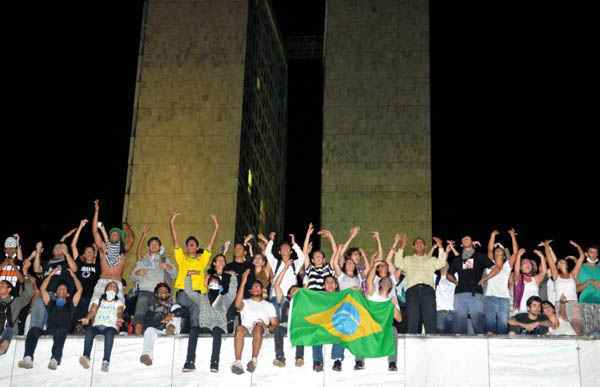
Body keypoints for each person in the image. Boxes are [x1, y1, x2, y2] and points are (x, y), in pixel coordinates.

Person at [18, 267, 83, 370]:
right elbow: (43, 289)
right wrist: (51, 274)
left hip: (63, 330)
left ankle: (55, 359)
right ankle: (28, 357)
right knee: (34, 330)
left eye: (64, 289)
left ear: (68, 294)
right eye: (59, 289)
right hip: (50, 330)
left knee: (61, 331)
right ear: (56, 293)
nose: (61, 290)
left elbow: (80, 289)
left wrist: (73, 275)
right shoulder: (50, 303)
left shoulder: (71, 304)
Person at [169, 211, 219, 331]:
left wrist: (216, 227)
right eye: (188, 245)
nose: (190, 246)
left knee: (195, 310)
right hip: (184, 293)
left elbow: (210, 246)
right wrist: (171, 223)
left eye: (192, 245)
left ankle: (188, 328)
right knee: (197, 307)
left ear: (197, 248)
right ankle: (194, 329)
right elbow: (175, 242)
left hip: (199, 293)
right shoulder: (182, 259)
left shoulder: (201, 261)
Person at [350, 261, 403, 372]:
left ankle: (392, 363)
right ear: (379, 284)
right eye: (384, 280)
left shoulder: (391, 300)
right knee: (361, 326)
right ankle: (359, 360)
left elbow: (399, 319)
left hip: (383, 329)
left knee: (393, 330)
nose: (387, 281)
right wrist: (374, 266)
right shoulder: (372, 293)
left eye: (389, 281)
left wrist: (393, 306)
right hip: (370, 326)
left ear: (391, 286)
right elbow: (369, 281)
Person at [181, 271, 238, 372]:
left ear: (220, 286)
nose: (214, 284)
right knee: (194, 330)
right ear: (207, 286)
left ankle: (214, 363)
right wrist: (188, 276)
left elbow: (233, 292)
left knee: (216, 329)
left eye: (216, 283)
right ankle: (189, 361)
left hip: (219, 328)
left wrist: (233, 276)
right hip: (205, 327)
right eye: (211, 283)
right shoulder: (202, 298)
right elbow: (189, 291)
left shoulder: (225, 299)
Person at [394, 236, 447, 334]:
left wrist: (440, 247)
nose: (419, 244)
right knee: (412, 319)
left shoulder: (431, 260)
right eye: (417, 243)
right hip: (412, 291)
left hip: (428, 291)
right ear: (414, 246)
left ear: (425, 246)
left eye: (421, 243)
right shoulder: (408, 259)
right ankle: (411, 345)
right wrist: (402, 246)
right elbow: (398, 263)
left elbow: (441, 263)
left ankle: (432, 343)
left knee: (430, 319)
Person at [448, 235, 499, 334]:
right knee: (459, 322)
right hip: (460, 294)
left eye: (468, 238)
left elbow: (496, 268)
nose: (465, 240)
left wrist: (485, 278)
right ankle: (460, 344)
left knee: (478, 322)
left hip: (476, 294)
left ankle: (482, 346)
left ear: (472, 242)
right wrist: (455, 281)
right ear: (462, 244)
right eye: (463, 239)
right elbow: (449, 274)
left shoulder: (480, 256)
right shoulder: (457, 258)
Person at [131, 226, 176, 335]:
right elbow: (132, 277)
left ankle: (165, 333)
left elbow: (175, 274)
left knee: (163, 314)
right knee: (140, 314)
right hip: (145, 290)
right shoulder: (142, 260)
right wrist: (138, 273)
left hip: (161, 293)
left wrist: (168, 267)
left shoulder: (165, 259)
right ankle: (137, 337)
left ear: (160, 247)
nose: (154, 245)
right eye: (152, 244)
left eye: (156, 244)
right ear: (148, 247)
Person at [232, 270, 278, 375]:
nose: (256, 288)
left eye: (258, 287)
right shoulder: (245, 302)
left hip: (261, 328)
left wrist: (266, 326)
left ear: (262, 290)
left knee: (257, 327)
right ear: (250, 291)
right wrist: (243, 282)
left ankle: (253, 360)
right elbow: (237, 305)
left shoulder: (268, 305)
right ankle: (238, 362)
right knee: (239, 328)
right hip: (246, 327)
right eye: (254, 287)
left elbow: (274, 324)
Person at [90, 199, 135, 306]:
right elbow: (95, 231)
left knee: (118, 307)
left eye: (117, 234)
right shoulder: (103, 248)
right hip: (102, 281)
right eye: (112, 234)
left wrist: (127, 227)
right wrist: (96, 211)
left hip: (117, 282)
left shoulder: (123, 250)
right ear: (109, 237)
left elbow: (131, 240)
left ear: (120, 238)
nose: (114, 235)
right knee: (95, 304)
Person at [31, 241, 77, 334]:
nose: (58, 249)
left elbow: (75, 268)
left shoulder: (67, 261)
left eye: (60, 247)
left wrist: (67, 254)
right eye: (56, 247)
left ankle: (50, 330)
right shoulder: (47, 263)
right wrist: (38, 251)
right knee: (39, 302)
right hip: (46, 295)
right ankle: (34, 332)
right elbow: (36, 269)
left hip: (62, 295)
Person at [78, 281, 125, 372]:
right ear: (105, 289)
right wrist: (87, 318)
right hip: (97, 325)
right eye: (110, 286)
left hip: (110, 326)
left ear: (116, 291)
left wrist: (119, 318)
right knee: (89, 331)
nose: (112, 287)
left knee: (109, 333)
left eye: (114, 287)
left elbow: (119, 312)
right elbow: (92, 311)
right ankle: (86, 357)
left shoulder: (119, 302)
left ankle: (106, 361)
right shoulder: (98, 300)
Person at [544, 240, 585, 335]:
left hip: (573, 303)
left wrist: (577, 245)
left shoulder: (572, 275)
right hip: (560, 304)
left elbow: (582, 257)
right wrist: (546, 245)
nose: (562, 262)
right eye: (559, 262)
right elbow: (550, 260)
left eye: (563, 261)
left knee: (577, 329)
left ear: (566, 264)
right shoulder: (556, 276)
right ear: (557, 266)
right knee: (563, 328)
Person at [483, 229, 518, 335]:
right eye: (496, 251)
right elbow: (489, 249)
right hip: (490, 296)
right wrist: (492, 235)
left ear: (503, 255)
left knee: (503, 325)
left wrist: (512, 236)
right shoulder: (490, 264)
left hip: (504, 298)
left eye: (500, 251)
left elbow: (515, 252)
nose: (497, 251)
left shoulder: (507, 265)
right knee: (490, 324)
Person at [70, 219, 101, 333]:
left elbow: (102, 251)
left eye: (91, 251)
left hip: (90, 297)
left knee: (87, 321)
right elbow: (73, 245)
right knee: (74, 320)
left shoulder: (97, 266)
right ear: (84, 254)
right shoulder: (79, 263)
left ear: (94, 255)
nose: (89, 253)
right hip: (77, 296)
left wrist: (97, 250)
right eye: (87, 251)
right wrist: (80, 227)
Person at [139, 283, 181, 366]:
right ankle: (147, 355)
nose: (163, 292)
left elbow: (185, 313)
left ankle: (171, 327)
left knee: (176, 308)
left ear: (169, 294)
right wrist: (162, 319)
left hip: (174, 329)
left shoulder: (174, 305)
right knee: (149, 330)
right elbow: (147, 323)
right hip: (161, 330)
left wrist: (171, 314)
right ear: (156, 294)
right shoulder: (151, 308)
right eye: (160, 291)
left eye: (165, 291)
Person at [0, 259, 33, 355]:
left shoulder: (16, 301)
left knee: (5, 342)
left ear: (9, 289)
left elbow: (29, 293)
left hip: (8, 330)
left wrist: (26, 274)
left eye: (2, 285)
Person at [272, 260, 301, 368]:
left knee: (300, 330)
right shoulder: (284, 300)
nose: (296, 292)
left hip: (296, 326)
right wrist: (285, 268)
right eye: (293, 290)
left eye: (298, 290)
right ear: (289, 293)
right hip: (284, 325)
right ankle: (280, 357)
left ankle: (299, 357)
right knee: (278, 329)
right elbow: (276, 284)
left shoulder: (303, 303)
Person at [513, 248, 547, 313]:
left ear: (532, 267)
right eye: (524, 263)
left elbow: (544, 272)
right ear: (520, 268)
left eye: (529, 263)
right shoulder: (518, 279)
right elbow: (516, 271)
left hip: (536, 310)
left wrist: (541, 256)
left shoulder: (535, 279)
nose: (527, 264)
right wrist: (518, 256)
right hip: (522, 311)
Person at [577, 244, 600, 335]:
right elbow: (576, 289)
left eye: (596, 252)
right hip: (587, 303)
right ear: (586, 254)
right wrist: (588, 282)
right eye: (591, 252)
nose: (594, 254)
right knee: (589, 334)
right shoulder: (581, 268)